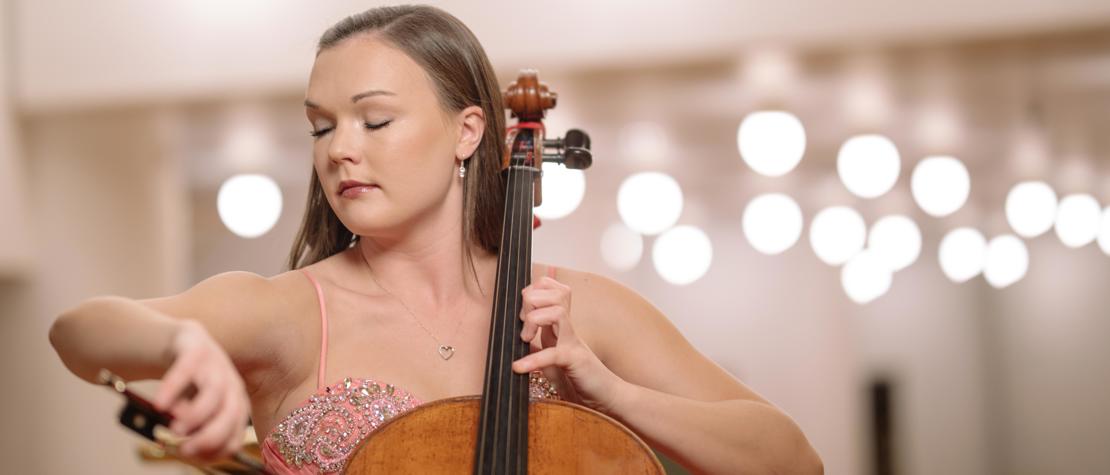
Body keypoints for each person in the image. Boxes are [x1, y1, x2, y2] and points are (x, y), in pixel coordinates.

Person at [49, 5, 822, 474]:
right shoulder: (292, 314)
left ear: (467, 131)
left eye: (374, 120)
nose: (339, 149)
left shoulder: (573, 309)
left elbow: (792, 458)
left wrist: (611, 392)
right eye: (321, 126)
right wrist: (179, 343)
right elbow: (79, 331)